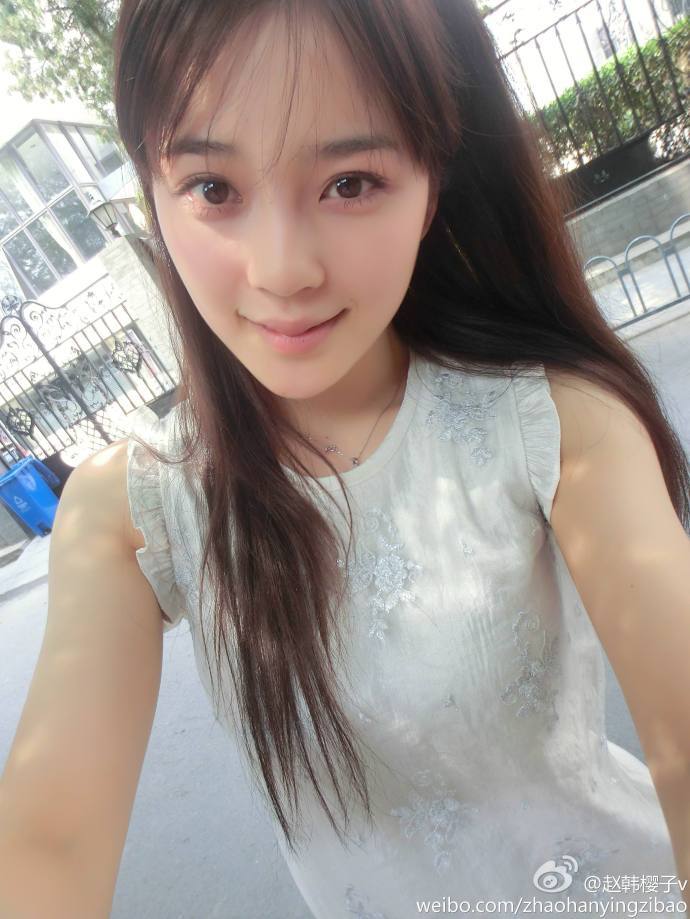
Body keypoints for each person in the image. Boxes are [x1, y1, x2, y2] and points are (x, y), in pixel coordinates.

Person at [1, 0, 690, 916]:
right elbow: (50, 837)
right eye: (213, 188)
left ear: (432, 185)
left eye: (351, 182)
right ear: (152, 195)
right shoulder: (132, 508)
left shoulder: (555, 421)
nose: (282, 268)